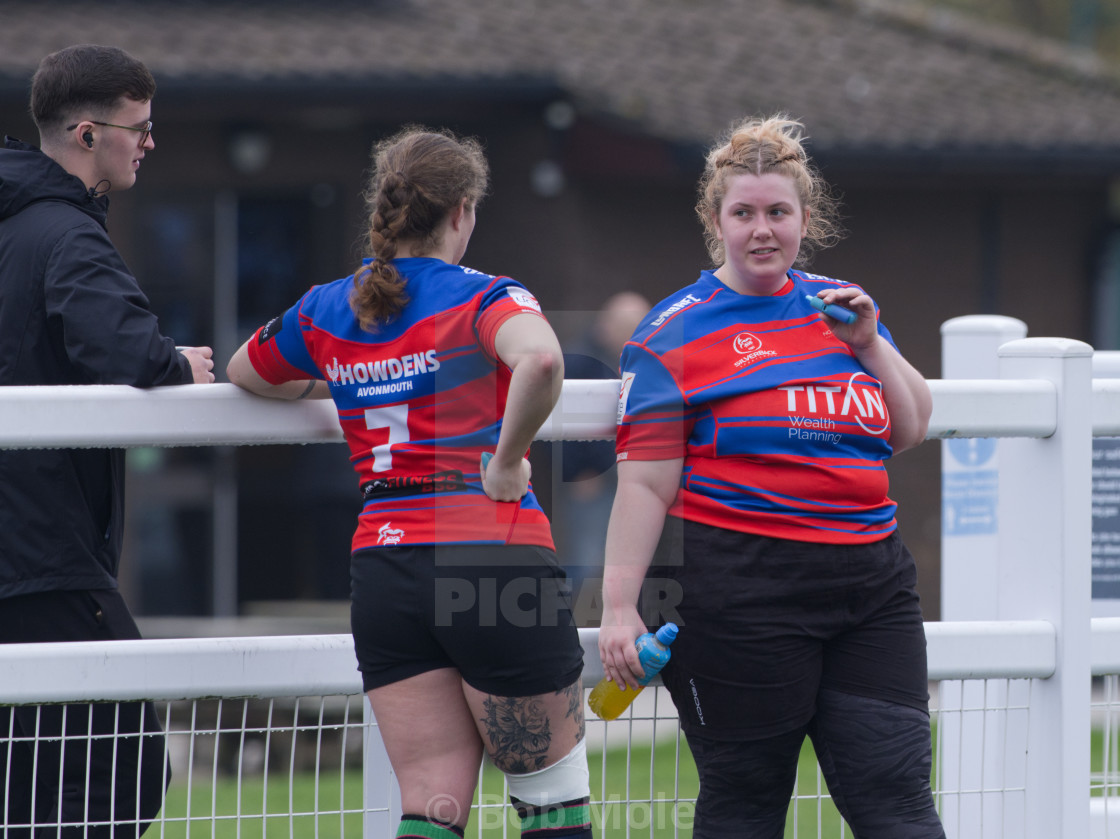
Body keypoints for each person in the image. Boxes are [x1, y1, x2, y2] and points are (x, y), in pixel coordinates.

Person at [227, 126, 593, 839]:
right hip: (489, 555)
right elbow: (543, 362)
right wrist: (507, 459)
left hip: (386, 569)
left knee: (431, 809)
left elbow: (246, 370)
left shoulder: (329, 305)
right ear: (462, 211)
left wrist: (341, 378)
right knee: (553, 803)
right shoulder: (484, 295)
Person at [597, 115, 944, 838]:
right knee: (747, 802)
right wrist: (620, 606)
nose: (763, 230)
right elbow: (645, 484)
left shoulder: (842, 308)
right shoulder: (672, 333)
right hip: (740, 590)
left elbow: (909, 427)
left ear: (805, 220)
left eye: (778, 212)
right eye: (744, 213)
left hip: (872, 588)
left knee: (898, 797)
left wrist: (870, 342)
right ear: (715, 221)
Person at [0, 44, 214, 836]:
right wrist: (180, 365)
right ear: (88, 135)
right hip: (43, 551)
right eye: (140, 128)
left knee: (28, 776)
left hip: (22, 547)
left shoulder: (18, 224)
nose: (149, 143)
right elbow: (128, 351)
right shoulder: (66, 234)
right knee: (124, 766)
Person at [549, 291, 650, 621]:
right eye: (627, 327)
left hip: (637, 478)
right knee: (587, 559)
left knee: (632, 558)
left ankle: (622, 622)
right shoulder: (579, 361)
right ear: (607, 325)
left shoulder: (644, 361)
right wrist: (578, 473)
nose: (633, 335)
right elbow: (557, 421)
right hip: (594, 481)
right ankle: (572, 629)